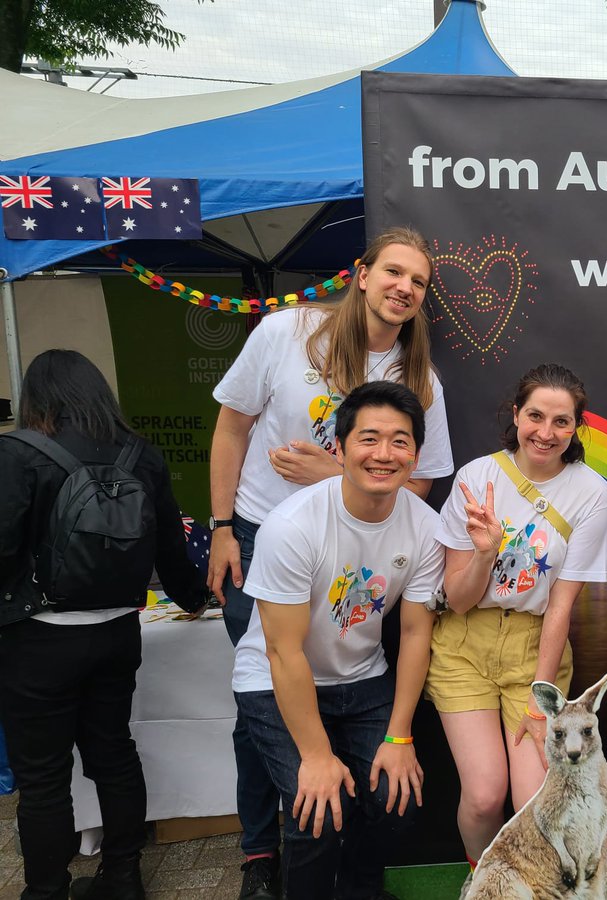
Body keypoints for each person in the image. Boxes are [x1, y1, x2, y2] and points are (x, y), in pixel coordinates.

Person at [208, 225, 453, 898]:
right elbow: (231, 425)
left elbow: (423, 484)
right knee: (268, 701)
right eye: (394, 271)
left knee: (347, 746)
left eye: (419, 281)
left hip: (362, 543)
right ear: (364, 273)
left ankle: (336, 855)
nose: (404, 287)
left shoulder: (415, 376)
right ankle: (263, 856)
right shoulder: (286, 333)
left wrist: (335, 471)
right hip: (265, 533)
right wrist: (224, 526)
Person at [0, 350, 207, 900]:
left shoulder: (18, 453)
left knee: (43, 778)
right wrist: (195, 598)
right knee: (113, 754)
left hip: (37, 638)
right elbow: (171, 547)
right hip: (118, 631)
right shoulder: (141, 454)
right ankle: (123, 877)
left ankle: (45, 890)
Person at [231, 380, 443, 900]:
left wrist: (399, 737)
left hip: (363, 678)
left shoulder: (425, 526)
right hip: (275, 680)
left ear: (415, 454)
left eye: (400, 441)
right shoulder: (292, 526)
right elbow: (283, 650)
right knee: (319, 811)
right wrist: (317, 755)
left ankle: (360, 891)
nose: (384, 454)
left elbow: (416, 632)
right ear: (340, 447)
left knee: (398, 798)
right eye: (369, 438)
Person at [426, 363, 607, 868]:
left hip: (537, 650)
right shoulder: (478, 476)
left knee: (534, 804)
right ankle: (483, 878)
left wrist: (540, 703)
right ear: (516, 414)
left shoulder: (591, 492)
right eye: (535, 416)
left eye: (561, 422)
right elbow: (456, 599)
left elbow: (561, 605)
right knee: (485, 796)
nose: (545, 433)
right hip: (465, 643)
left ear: (577, 427)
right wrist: (485, 552)